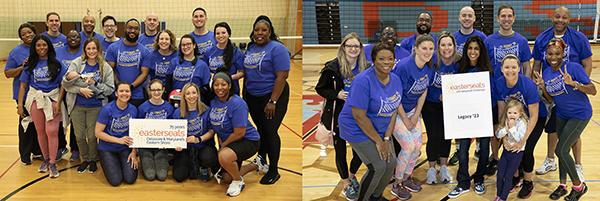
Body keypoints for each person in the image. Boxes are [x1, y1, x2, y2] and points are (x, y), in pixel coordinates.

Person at [532, 6, 592, 179]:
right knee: (553, 129)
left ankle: (577, 164)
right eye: (557, 17)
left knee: (572, 132)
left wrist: (578, 85)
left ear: (569, 20)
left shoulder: (579, 38)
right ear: (553, 17)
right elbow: (536, 63)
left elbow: (587, 63)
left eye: (564, 18)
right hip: (551, 92)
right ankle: (551, 160)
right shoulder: (543, 37)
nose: (560, 20)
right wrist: (536, 85)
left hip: (571, 93)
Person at [534, 38, 595, 201]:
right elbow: (550, 99)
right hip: (562, 114)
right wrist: (543, 87)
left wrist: (574, 84)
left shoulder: (573, 68)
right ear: (546, 55)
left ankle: (579, 186)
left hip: (580, 114)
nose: (553, 57)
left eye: (557, 54)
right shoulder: (546, 73)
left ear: (563, 54)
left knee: (560, 149)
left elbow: (593, 90)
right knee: (563, 150)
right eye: (550, 54)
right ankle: (562, 185)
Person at [339, 42, 400, 201]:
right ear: (373, 60)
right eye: (381, 59)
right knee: (377, 166)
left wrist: (386, 138)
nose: (386, 62)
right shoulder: (362, 81)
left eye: (390, 58)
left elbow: (393, 110)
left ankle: (376, 196)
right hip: (356, 127)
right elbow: (359, 116)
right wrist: (379, 141)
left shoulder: (396, 80)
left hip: (380, 127)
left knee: (391, 163)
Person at [315, 32, 367, 200]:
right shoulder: (332, 67)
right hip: (339, 114)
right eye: (349, 46)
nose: (353, 49)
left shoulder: (365, 67)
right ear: (343, 47)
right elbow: (320, 88)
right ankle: (345, 183)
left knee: (359, 151)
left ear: (360, 49)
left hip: (359, 114)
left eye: (356, 46)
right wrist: (336, 94)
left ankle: (352, 176)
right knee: (340, 150)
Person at [484, 4, 533, 177]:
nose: (506, 19)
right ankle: (496, 157)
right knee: (497, 126)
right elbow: (485, 66)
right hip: (498, 91)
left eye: (509, 16)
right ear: (498, 18)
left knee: (515, 126)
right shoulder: (489, 41)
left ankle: (514, 158)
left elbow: (527, 66)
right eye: (503, 16)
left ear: (513, 18)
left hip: (517, 96)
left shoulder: (521, 41)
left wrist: (524, 86)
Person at [243, 15, 290, 184]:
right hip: (253, 96)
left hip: (273, 96)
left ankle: (274, 170)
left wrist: (273, 101)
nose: (260, 33)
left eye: (264, 30)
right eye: (257, 30)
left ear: (270, 32)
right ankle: (262, 160)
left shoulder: (277, 49)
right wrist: (245, 96)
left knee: (270, 132)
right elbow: (247, 74)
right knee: (261, 130)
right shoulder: (251, 48)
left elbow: (282, 76)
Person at [448, 36, 493, 198]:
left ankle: (479, 179)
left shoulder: (487, 70)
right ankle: (463, 182)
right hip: (464, 117)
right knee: (463, 150)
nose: (472, 52)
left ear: (481, 52)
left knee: (483, 150)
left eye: (476, 49)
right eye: (470, 48)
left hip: (483, 116)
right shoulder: (459, 68)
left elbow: (492, 95)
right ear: (466, 50)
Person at [390, 34, 434, 200]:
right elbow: (395, 95)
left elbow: (424, 91)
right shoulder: (404, 67)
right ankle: (397, 183)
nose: (427, 52)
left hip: (412, 112)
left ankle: (407, 178)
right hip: (395, 112)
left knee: (417, 146)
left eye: (431, 48)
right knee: (408, 146)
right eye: (424, 48)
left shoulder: (428, 67)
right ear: (415, 49)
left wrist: (416, 115)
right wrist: (406, 119)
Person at [495, 54, 546, 199]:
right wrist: (504, 135)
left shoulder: (527, 85)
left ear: (519, 69)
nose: (510, 70)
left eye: (513, 67)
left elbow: (534, 115)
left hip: (534, 118)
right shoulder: (499, 83)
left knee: (526, 149)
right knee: (511, 147)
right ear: (501, 69)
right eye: (506, 67)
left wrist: (523, 140)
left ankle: (528, 182)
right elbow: (501, 110)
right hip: (513, 119)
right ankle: (516, 177)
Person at [17, 35, 67, 178]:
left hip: (52, 98)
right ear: (34, 48)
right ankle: (45, 159)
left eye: (44, 45)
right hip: (35, 99)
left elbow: (63, 84)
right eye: (38, 45)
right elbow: (23, 85)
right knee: (40, 131)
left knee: (51, 131)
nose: (41, 48)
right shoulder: (30, 64)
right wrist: (20, 105)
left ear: (49, 46)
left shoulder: (56, 63)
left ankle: (52, 162)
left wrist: (58, 101)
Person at [62, 38, 114, 173]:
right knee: (79, 136)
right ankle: (84, 159)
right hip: (77, 106)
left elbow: (110, 89)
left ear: (99, 50)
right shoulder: (77, 63)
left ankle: (92, 159)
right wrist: (81, 90)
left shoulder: (105, 66)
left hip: (96, 106)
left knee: (92, 136)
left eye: (94, 48)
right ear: (85, 50)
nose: (91, 51)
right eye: (88, 48)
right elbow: (66, 84)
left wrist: (95, 84)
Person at [449, 6, 488, 167]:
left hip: (478, 82)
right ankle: (459, 149)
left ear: (474, 19)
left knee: (479, 115)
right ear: (459, 18)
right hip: (461, 81)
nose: (466, 18)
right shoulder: (454, 37)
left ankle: (479, 147)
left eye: (469, 16)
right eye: (464, 15)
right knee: (461, 117)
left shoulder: (482, 37)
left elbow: (484, 58)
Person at [211, 72, 261, 196]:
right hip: (231, 141)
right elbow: (217, 127)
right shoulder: (213, 102)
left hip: (248, 140)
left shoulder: (238, 104)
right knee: (226, 179)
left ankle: (238, 181)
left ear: (229, 86)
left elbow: (239, 133)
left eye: (223, 84)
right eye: (216, 85)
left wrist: (223, 147)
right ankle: (256, 164)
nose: (219, 88)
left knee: (224, 156)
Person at [422, 32, 458, 185]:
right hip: (430, 105)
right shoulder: (431, 62)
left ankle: (443, 167)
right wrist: (438, 96)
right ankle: (431, 169)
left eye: (449, 44)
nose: (446, 48)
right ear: (438, 47)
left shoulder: (459, 63)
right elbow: (424, 84)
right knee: (433, 136)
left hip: (449, 106)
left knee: (446, 136)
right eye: (443, 45)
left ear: (454, 47)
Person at [5, 23, 42, 165]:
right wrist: (22, 67)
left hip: (40, 94)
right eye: (24, 34)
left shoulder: (41, 47)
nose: (27, 35)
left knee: (38, 125)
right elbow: (8, 73)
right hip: (24, 95)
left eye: (29, 32)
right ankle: (25, 155)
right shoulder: (16, 52)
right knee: (26, 124)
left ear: (34, 32)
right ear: (21, 37)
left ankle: (38, 151)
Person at [171, 83, 219, 182]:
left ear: (198, 94)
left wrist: (198, 139)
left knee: (209, 158)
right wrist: (177, 144)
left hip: (203, 145)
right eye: (188, 93)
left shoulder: (207, 110)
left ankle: (204, 167)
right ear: (183, 96)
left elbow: (212, 131)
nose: (191, 96)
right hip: (185, 147)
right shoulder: (177, 113)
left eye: (194, 93)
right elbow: (173, 133)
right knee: (179, 177)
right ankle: (192, 161)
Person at [95, 82, 139, 186]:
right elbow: (98, 133)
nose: (124, 93)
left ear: (130, 94)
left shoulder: (133, 109)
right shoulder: (107, 109)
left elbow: (136, 132)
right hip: (107, 148)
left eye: (127, 91)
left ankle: (120, 162)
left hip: (125, 148)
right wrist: (118, 140)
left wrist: (134, 152)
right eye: (121, 91)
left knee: (130, 179)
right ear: (116, 93)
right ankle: (109, 161)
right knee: (116, 181)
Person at [105, 18, 150, 106]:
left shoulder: (144, 51)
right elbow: (110, 70)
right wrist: (120, 86)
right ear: (125, 28)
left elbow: (144, 74)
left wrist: (131, 86)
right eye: (130, 28)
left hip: (137, 96)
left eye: (136, 28)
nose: (132, 30)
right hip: (117, 94)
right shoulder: (113, 48)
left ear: (139, 31)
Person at [137, 79, 174, 181]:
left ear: (163, 90)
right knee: (150, 176)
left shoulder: (169, 108)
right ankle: (145, 159)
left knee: (162, 176)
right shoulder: (142, 108)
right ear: (149, 91)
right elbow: (137, 129)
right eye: (153, 90)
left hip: (161, 146)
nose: (156, 92)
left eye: (159, 89)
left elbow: (173, 129)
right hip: (146, 147)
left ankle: (163, 157)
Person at [55, 29, 83, 162]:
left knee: (75, 122)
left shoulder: (83, 53)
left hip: (77, 91)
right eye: (71, 37)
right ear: (66, 39)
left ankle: (75, 149)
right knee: (60, 121)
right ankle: (61, 146)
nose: (73, 39)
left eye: (76, 37)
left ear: (80, 39)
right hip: (61, 90)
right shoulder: (59, 51)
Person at [495, 99, 528, 201]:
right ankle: (499, 195)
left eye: (515, 113)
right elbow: (498, 134)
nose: (512, 115)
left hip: (516, 153)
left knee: (508, 176)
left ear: (520, 113)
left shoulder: (522, 123)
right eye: (509, 113)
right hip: (506, 152)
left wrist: (512, 128)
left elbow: (520, 139)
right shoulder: (506, 121)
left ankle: (503, 198)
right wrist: (506, 128)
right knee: (500, 174)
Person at [204, 22, 245, 94]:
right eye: (217, 33)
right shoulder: (209, 51)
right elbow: (206, 70)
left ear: (228, 34)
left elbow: (242, 72)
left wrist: (228, 78)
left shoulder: (235, 51)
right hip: (215, 89)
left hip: (231, 89)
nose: (220, 35)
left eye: (223, 33)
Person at [171, 34, 211, 103]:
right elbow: (169, 84)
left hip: (194, 102)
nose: (186, 47)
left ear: (194, 45)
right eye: (183, 45)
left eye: (188, 44)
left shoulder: (202, 65)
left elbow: (206, 88)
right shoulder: (174, 62)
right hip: (177, 101)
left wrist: (192, 94)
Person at [142, 29, 177, 99]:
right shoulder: (151, 55)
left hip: (172, 90)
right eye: (161, 39)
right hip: (155, 91)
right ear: (157, 42)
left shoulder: (177, 55)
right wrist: (149, 91)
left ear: (171, 41)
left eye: (167, 39)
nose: (164, 41)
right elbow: (145, 76)